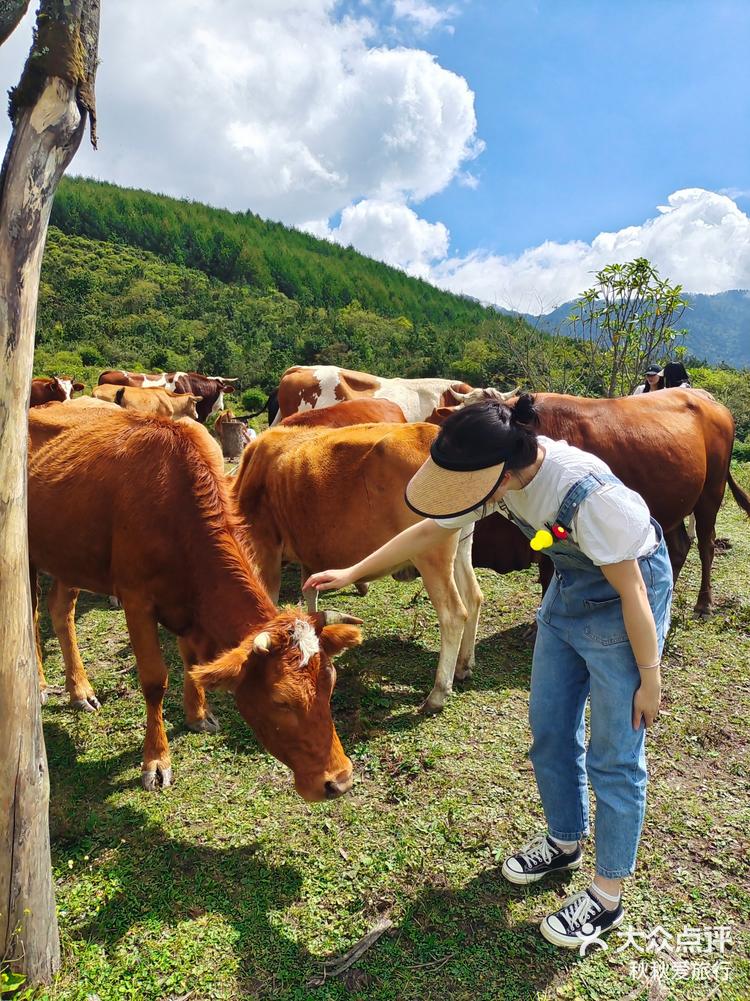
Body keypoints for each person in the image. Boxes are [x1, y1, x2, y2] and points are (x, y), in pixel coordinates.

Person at [305, 395, 673, 950]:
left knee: (615, 756)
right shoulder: (500, 471)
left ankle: (606, 896)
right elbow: (431, 528)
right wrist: (354, 570)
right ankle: (564, 842)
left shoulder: (594, 499)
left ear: (500, 472)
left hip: (624, 606)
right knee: (549, 730)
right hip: (569, 592)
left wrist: (650, 677)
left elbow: (635, 593)